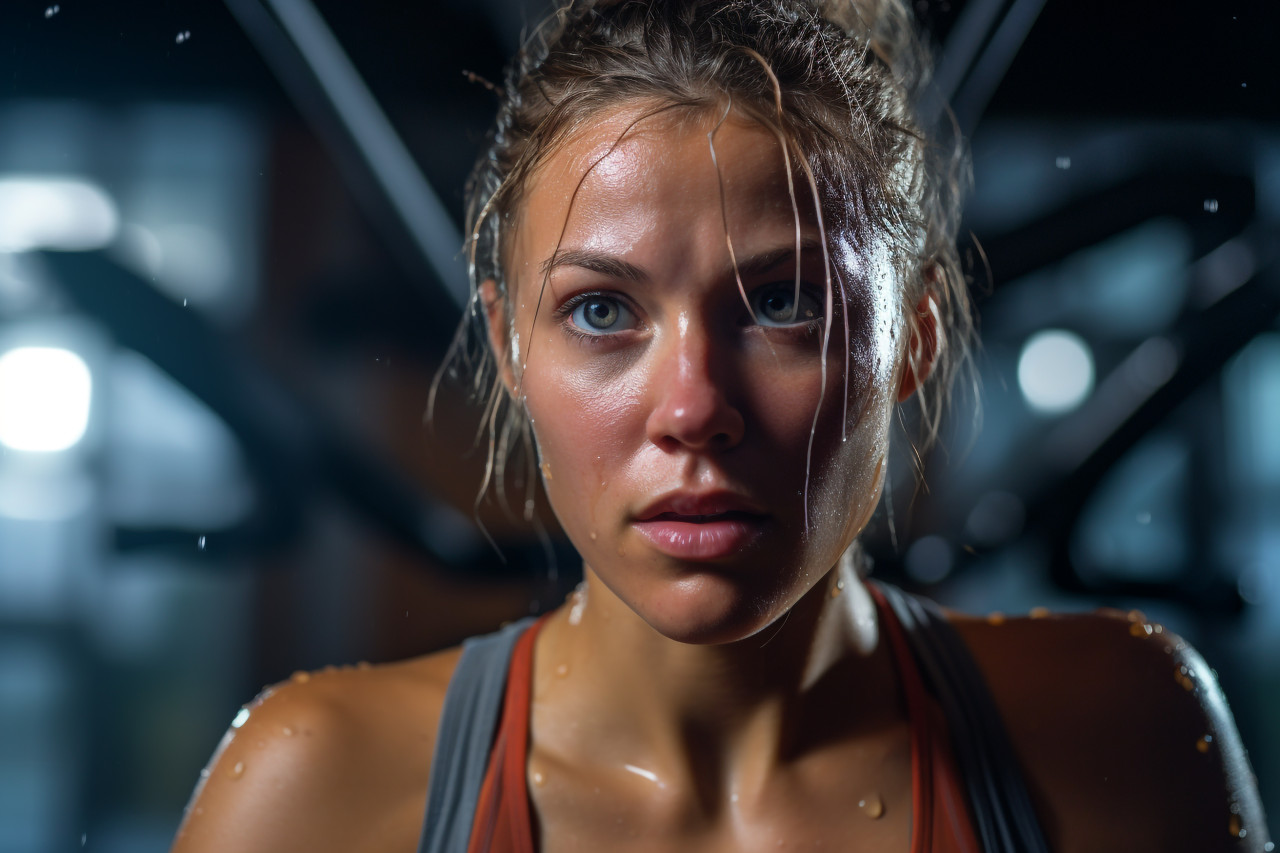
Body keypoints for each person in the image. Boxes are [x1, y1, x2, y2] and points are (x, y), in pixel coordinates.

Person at [171, 1, 1271, 851]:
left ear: (915, 337)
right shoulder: (318, 788)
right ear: (507, 346)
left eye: (785, 302)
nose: (693, 408)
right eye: (601, 311)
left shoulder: (1118, 731)